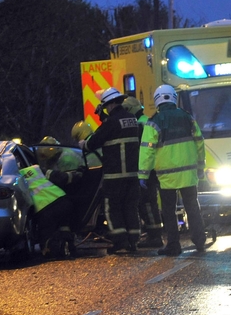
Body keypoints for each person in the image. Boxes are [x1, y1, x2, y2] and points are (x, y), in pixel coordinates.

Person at [139, 84, 207, 256]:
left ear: (157, 100)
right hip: (189, 174)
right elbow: (200, 142)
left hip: (167, 176)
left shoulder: (154, 121)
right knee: (192, 207)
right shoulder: (187, 117)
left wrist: (143, 174)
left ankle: (173, 245)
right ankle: (199, 240)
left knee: (169, 210)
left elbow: (147, 150)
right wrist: (200, 166)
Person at [79, 87, 142, 253]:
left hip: (114, 175)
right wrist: (103, 117)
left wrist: (84, 145)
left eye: (106, 106)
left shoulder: (111, 122)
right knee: (130, 207)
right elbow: (114, 131)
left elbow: (94, 141)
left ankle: (120, 242)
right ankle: (133, 241)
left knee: (112, 208)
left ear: (111, 104)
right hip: (133, 174)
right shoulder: (132, 119)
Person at [19, 150, 82, 258]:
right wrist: (78, 174)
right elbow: (60, 177)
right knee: (65, 227)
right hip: (62, 201)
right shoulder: (35, 169)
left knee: (46, 235)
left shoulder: (15, 179)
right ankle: (70, 249)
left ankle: (54, 252)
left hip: (45, 209)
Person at [123, 96, 164, 248]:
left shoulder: (139, 125)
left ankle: (155, 236)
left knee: (146, 202)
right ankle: (154, 233)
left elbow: (140, 151)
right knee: (150, 201)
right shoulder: (149, 120)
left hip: (145, 170)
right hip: (153, 168)